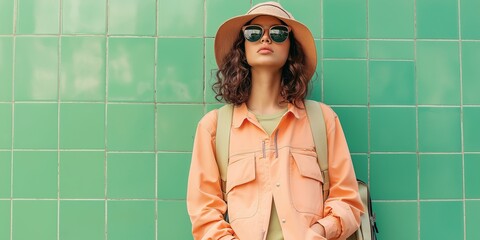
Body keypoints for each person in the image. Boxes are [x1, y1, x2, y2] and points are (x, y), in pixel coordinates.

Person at [187, 2, 363, 239]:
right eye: (254, 32)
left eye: (278, 33)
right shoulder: (214, 127)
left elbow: (348, 201)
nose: (266, 39)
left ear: (291, 48)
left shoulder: (322, 120)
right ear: (243, 46)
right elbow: (204, 212)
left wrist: (318, 232)